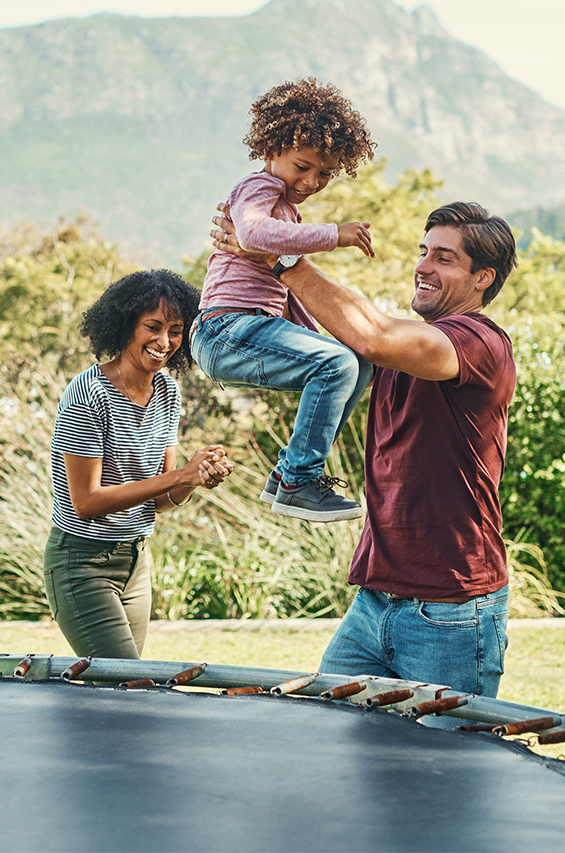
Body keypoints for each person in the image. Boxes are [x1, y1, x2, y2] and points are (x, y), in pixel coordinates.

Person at [211, 201, 517, 719]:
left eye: (444, 258)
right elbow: (346, 332)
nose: (423, 265)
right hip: (374, 600)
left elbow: (371, 333)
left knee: (447, 774)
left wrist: (283, 255)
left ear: (482, 277)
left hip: (451, 612)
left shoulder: (479, 344)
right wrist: (248, 263)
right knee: (335, 739)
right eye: (423, 252)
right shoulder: (399, 350)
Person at [192, 78, 376, 523]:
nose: (312, 181)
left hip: (252, 328)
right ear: (271, 150)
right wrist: (335, 235)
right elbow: (253, 233)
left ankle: (288, 474)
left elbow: (287, 295)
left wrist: (326, 340)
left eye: (325, 174)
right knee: (338, 365)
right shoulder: (257, 189)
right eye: (302, 166)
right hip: (226, 329)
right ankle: (300, 481)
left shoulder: (287, 209)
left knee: (359, 364)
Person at [43, 269, 233, 660]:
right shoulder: (88, 393)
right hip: (82, 563)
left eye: (176, 330)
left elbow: (161, 500)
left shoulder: (167, 391)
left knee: (121, 698)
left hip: (135, 561)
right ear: (126, 324)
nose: (165, 342)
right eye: (153, 326)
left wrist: (196, 478)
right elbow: (88, 502)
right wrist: (181, 474)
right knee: (130, 684)